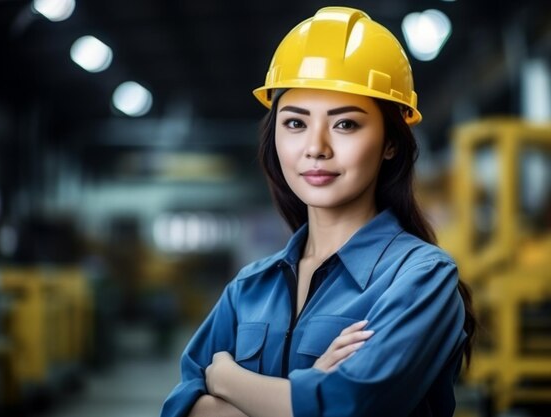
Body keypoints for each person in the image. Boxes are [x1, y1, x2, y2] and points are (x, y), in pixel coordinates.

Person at [160, 6, 476, 417]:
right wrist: (302, 394)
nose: (316, 147)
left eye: (345, 124)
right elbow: (179, 408)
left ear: (390, 143)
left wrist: (227, 381)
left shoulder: (420, 280)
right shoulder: (250, 289)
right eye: (295, 123)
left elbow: (349, 407)